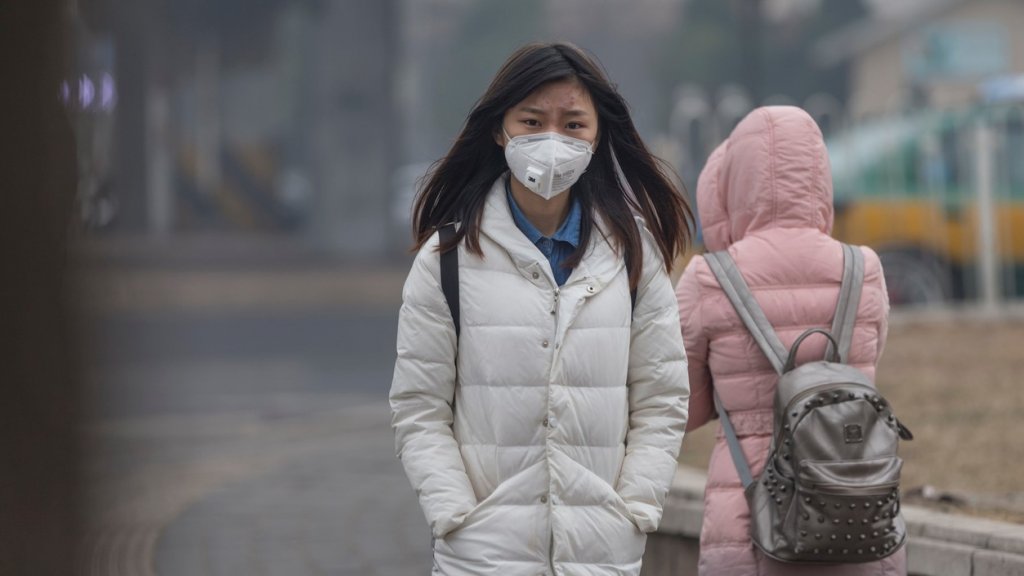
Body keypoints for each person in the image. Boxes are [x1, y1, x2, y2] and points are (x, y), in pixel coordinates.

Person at [389, 42, 695, 575]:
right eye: (532, 120)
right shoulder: (448, 260)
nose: (552, 139)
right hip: (481, 557)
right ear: (499, 129)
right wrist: (455, 512)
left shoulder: (634, 257)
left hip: (601, 557)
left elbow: (662, 399)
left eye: (573, 124)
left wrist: (634, 508)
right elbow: (419, 408)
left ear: (598, 137)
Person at [675, 105, 906, 575]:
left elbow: (688, 409)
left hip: (752, 519)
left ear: (733, 182)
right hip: (858, 515)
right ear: (820, 175)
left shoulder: (708, 278)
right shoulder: (865, 269)